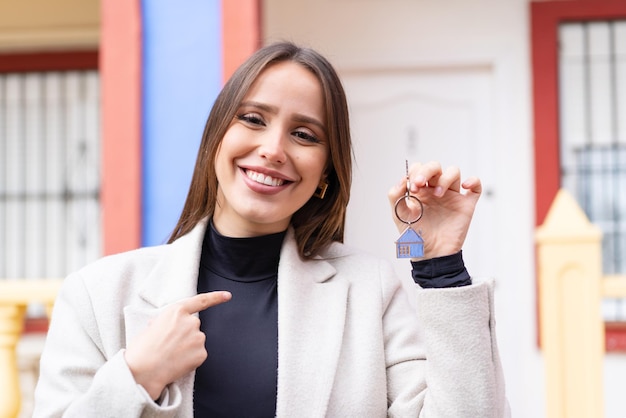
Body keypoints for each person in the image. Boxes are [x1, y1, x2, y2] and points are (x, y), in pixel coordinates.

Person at [33, 41, 509, 417]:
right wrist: (136, 375)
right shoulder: (98, 295)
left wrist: (441, 267)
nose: (273, 149)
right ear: (216, 137)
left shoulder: (370, 291)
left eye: (304, 134)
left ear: (326, 173)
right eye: (253, 119)